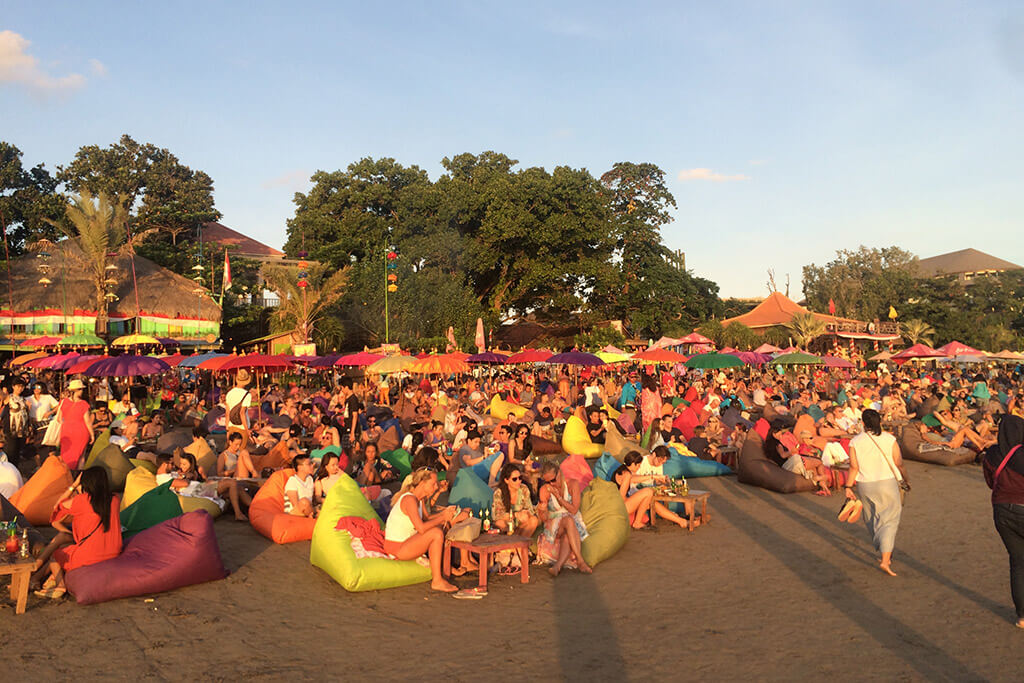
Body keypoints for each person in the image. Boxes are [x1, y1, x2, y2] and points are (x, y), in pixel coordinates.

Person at [34, 467, 122, 599]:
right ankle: (35, 579)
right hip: (113, 551)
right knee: (66, 549)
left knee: (55, 556)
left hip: (91, 554)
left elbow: (57, 506)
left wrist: (73, 486)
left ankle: (60, 586)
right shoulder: (114, 499)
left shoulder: (82, 500)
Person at [383, 467, 465, 593]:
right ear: (422, 483)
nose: (435, 487)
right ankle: (437, 580)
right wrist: (443, 517)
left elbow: (426, 518)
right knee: (436, 533)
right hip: (397, 548)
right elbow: (421, 528)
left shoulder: (418, 499)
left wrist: (446, 513)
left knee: (438, 528)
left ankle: (444, 569)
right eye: (433, 484)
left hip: (406, 543)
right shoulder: (409, 500)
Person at [845, 408, 906, 577]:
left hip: (865, 484)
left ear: (863, 423)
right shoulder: (889, 439)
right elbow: (898, 462)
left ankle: (885, 550)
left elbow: (853, 467)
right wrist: (905, 478)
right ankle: (885, 560)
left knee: (871, 518)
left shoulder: (855, 441)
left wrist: (848, 487)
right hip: (887, 482)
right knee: (890, 520)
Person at [983, 414, 1024, 628]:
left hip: (1002, 511)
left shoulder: (992, 454)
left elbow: (991, 482)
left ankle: (1022, 616)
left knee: (1018, 563)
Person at [536, 461, 592, 576]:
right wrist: (542, 510)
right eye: (547, 482)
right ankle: (580, 561)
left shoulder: (572, 484)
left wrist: (559, 498)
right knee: (568, 520)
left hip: (572, 521)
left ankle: (557, 567)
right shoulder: (544, 490)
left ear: (559, 473)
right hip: (554, 524)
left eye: (553, 480)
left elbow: (574, 510)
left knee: (568, 532)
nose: (551, 484)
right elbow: (544, 519)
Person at [492, 463, 539, 538]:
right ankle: (516, 546)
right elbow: (497, 516)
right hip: (507, 525)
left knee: (533, 520)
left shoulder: (524, 489)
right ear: (506, 480)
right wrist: (515, 515)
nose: (518, 481)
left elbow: (530, 509)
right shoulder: (499, 493)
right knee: (500, 523)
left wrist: (526, 513)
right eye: (514, 479)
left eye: (520, 478)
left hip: (520, 524)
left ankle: (519, 546)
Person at [57, 379, 94, 470]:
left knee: (65, 455)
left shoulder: (64, 402)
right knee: (81, 457)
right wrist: (92, 435)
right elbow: (87, 422)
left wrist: (67, 424)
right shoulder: (84, 404)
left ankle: (66, 475)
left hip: (66, 431)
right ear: (76, 390)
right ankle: (78, 476)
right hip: (81, 431)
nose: (82, 391)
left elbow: (59, 419)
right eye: (80, 389)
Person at [225, 370, 253, 447]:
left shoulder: (229, 393)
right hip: (242, 427)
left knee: (230, 451)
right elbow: (242, 413)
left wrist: (227, 430)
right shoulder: (247, 394)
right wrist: (247, 430)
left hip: (231, 425)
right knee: (240, 451)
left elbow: (227, 413)